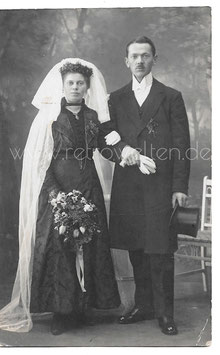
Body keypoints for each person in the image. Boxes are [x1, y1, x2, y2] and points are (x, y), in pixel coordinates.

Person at [0, 59, 121, 335]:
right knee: (59, 248)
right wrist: (56, 194)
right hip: (58, 187)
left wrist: (125, 156)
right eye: (71, 83)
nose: (76, 87)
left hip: (88, 183)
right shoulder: (49, 117)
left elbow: (104, 147)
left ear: (87, 87)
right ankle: (61, 311)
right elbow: (41, 159)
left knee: (89, 244)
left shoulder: (93, 117)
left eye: (80, 83)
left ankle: (82, 307)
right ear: (63, 86)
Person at [100, 36, 190, 335]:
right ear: (126, 61)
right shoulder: (115, 98)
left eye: (146, 56)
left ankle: (165, 313)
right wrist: (123, 151)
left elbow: (181, 145)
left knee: (160, 249)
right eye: (134, 56)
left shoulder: (170, 96)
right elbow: (105, 138)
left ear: (154, 59)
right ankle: (143, 305)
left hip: (161, 185)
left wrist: (179, 186)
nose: (140, 61)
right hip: (129, 182)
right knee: (137, 247)